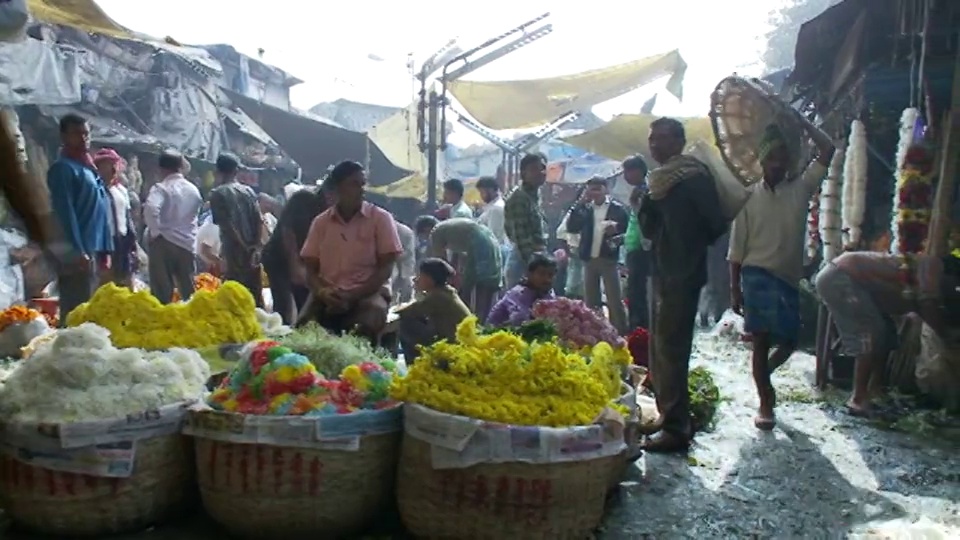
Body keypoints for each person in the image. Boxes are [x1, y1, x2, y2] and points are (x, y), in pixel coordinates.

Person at [729, 121, 835, 430]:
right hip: (755, 274)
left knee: (789, 341)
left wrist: (802, 122)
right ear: (762, 161)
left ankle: (764, 379)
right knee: (761, 341)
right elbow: (736, 250)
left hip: (787, 277)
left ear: (788, 162)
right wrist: (734, 289)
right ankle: (766, 403)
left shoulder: (801, 189)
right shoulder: (748, 197)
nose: (776, 164)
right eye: (770, 158)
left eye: (781, 158)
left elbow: (828, 149)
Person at [638, 117, 727, 452]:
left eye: (661, 138)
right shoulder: (658, 182)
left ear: (678, 141)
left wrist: (687, 241)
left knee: (673, 348)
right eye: (652, 138)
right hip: (662, 268)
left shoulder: (693, 178)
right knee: (660, 346)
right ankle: (666, 414)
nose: (655, 144)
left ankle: (677, 428)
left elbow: (716, 224)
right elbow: (649, 228)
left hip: (683, 271)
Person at [816, 252, 959, 416]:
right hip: (839, 277)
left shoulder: (930, 277)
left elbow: (921, 307)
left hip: (858, 285)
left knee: (887, 334)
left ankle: (875, 390)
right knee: (869, 334)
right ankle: (858, 399)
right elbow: (927, 303)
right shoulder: (933, 267)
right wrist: (946, 335)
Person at [299, 161, 402, 341]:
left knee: (361, 331)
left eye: (363, 184)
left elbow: (386, 268)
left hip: (370, 293)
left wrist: (353, 296)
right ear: (338, 187)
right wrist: (323, 293)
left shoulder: (380, 219)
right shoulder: (321, 223)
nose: (362, 189)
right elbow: (310, 269)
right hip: (328, 293)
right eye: (354, 184)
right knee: (301, 332)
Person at [46, 113, 113, 324]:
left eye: (86, 134)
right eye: (77, 134)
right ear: (63, 136)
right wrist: (76, 251)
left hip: (92, 247)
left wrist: (104, 249)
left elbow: (100, 211)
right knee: (76, 307)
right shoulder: (63, 169)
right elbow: (64, 214)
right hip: (77, 251)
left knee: (87, 306)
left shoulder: (88, 168)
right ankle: (69, 352)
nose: (84, 138)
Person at [565, 176, 630, 334]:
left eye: (597, 189)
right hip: (589, 259)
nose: (594, 193)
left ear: (605, 189)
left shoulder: (617, 208)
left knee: (614, 299)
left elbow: (627, 231)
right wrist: (580, 203)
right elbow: (572, 227)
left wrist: (617, 229)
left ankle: (620, 332)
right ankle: (594, 331)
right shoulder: (585, 208)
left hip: (608, 259)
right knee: (591, 299)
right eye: (591, 189)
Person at [143, 150, 203, 304]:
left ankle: (164, 322)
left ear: (161, 169)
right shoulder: (194, 190)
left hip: (164, 243)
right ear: (180, 167)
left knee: (162, 292)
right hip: (187, 244)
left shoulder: (161, 188)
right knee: (188, 290)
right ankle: (190, 319)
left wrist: (155, 232)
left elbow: (151, 208)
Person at [262, 186, 328, 326]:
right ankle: (280, 334)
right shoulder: (304, 199)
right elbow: (288, 231)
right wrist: (295, 265)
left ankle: (298, 332)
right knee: (285, 305)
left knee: (304, 304)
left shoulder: (331, 211)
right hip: (278, 258)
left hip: (303, 259)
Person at [418, 216, 502, 323]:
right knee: (483, 281)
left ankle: (476, 321)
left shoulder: (435, 233)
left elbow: (439, 264)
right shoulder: (450, 229)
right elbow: (456, 261)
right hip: (488, 238)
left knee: (476, 283)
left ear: (426, 230)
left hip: (479, 244)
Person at [208, 153, 264, 307]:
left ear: (218, 171)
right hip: (252, 250)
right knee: (254, 292)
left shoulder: (217, 194)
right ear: (236, 171)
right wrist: (256, 246)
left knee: (235, 294)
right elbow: (259, 219)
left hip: (234, 251)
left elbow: (227, 226)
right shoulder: (249, 191)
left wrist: (243, 246)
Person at [396, 257, 471, 363]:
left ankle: (417, 366)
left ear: (429, 279)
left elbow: (408, 311)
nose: (416, 279)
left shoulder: (438, 297)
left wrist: (417, 292)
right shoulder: (445, 292)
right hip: (458, 343)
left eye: (420, 276)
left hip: (453, 349)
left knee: (405, 324)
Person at [93, 148, 138, 289]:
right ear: (99, 168)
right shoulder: (94, 191)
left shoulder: (121, 191)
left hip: (122, 242)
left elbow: (127, 217)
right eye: (107, 165)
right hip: (104, 244)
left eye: (114, 164)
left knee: (126, 282)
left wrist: (133, 245)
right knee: (106, 283)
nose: (112, 169)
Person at [504, 153, 548, 287]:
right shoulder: (519, 197)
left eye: (542, 168)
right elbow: (521, 238)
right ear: (523, 173)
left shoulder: (534, 195)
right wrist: (535, 270)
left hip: (534, 261)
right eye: (534, 169)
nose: (540, 172)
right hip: (524, 264)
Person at [487, 252, 557, 327]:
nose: (547, 279)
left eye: (550, 275)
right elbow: (519, 321)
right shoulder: (516, 295)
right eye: (541, 274)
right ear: (529, 274)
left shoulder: (551, 297)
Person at [622, 155, 652, 330]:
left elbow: (644, 221)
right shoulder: (638, 190)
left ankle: (639, 329)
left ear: (638, 171)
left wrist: (646, 245)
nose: (626, 176)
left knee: (637, 292)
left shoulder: (644, 191)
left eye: (628, 171)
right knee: (635, 291)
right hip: (634, 246)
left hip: (641, 249)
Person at [476, 176, 506, 244]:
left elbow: (493, 236)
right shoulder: (492, 206)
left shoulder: (496, 208)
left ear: (491, 190)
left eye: (482, 192)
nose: (481, 196)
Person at [393, 220, 417, 303]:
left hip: (404, 263)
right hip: (392, 263)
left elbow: (408, 251)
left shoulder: (405, 231)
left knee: (406, 286)